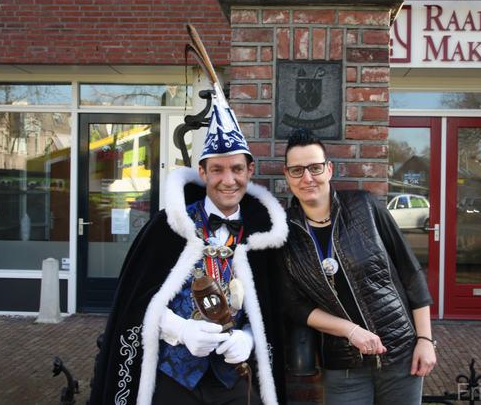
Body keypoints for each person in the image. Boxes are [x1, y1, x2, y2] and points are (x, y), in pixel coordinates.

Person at [90, 91, 288, 405]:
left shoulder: (261, 235)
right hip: (174, 377)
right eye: (218, 169)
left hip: (233, 379)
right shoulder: (168, 226)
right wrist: (181, 331)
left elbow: (272, 308)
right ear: (203, 172)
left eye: (237, 169)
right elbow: (137, 301)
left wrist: (249, 338)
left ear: (250, 171)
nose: (228, 180)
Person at [279, 128, 436, 405]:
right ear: (286, 174)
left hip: (400, 353)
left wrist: (424, 339)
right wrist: (349, 330)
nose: (307, 178)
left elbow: (410, 271)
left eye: (315, 168)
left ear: (329, 169)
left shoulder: (365, 206)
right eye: (297, 170)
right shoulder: (283, 232)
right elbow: (294, 305)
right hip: (343, 365)